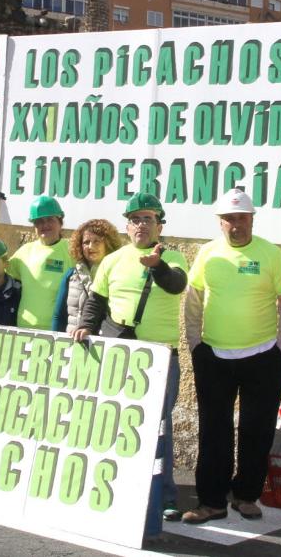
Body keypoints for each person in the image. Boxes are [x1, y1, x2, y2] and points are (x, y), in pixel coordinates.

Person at [73, 192, 187, 521]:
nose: (141, 224)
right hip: (119, 349)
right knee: (116, 420)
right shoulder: (113, 260)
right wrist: (85, 327)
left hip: (159, 354)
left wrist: (158, 265)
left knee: (159, 426)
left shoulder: (175, 256)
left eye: (148, 219)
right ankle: (118, 487)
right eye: (135, 219)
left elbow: (177, 285)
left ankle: (164, 496)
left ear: (159, 225)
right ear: (127, 225)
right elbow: (96, 300)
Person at [181, 187, 281, 524]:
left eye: (241, 217)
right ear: (220, 222)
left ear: (251, 219)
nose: (235, 224)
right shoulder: (207, 254)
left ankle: (246, 496)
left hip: (263, 356)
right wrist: (196, 344)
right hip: (214, 356)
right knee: (214, 430)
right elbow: (194, 298)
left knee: (256, 429)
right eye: (229, 219)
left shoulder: (271, 254)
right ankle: (211, 501)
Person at [8, 195, 71, 330]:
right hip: (25, 327)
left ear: (60, 222)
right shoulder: (25, 251)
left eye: (50, 220)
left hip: (58, 330)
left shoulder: (72, 251)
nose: (45, 225)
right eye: (39, 221)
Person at [50, 219, 121, 333]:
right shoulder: (71, 275)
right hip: (72, 343)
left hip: (104, 344)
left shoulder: (117, 275)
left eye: (97, 241)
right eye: (86, 242)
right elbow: (59, 316)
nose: (90, 246)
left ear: (108, 244)